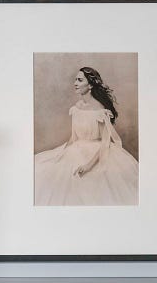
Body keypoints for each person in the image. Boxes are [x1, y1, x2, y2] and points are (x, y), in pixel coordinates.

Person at [34, 66, 139, 206]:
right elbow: (74, 137)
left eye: (79, 80)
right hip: (75, 150)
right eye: (75, 79)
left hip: (97, 152)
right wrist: (61, 153)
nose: (75, 83)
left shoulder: (100, 110)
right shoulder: (77, 107)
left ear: (90, 85)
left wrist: (88, 165)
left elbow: (105, 142)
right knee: (45, 170)